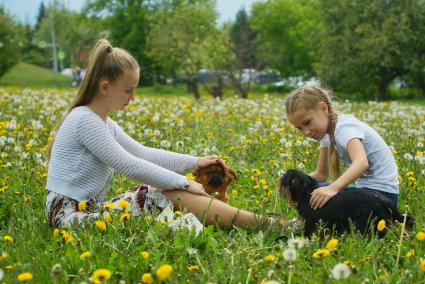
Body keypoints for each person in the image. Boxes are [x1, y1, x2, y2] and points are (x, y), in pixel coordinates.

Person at [46, 39, 276, 230]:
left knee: (160, 192)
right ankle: (270, 226)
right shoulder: (84, 120)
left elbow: (144, 154)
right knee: (161, 193)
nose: (133, 97)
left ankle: (263, 224)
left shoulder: (103, 123)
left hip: (87, 212)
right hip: (67, 218)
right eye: (128, 90)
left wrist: (195, 162)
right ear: (104, 87)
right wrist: (184, 183)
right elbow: (130, 165)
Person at [285, 85, 399, 210]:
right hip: (365, 193)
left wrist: (332, 188)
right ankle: (303, 222)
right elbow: (321, 174)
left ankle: (299, 224)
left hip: (383, 197)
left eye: (307, 122)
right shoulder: (326, 136)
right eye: (299, 128)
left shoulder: (344, 128)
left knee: (325, 196)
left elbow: (361, 163)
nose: (305, 132)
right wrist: (296, 189)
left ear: (324, 108)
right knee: (316, 191)